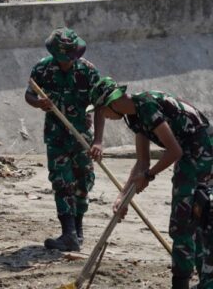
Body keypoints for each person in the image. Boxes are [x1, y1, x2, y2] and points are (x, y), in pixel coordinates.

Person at [90, 77, 212, 289]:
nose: (104, 117)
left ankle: (189, 282)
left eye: (103, 111)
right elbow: (142, 161)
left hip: (201, 152)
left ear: (114, 102)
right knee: (190, 218)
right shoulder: (133, 116)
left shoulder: (146, 106)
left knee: (185, 220)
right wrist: (124, 196)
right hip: (188, 155)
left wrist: (148, 176)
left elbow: (174, 151)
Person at [24, 27, 103, 251]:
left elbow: (100, 106)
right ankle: (68, 233)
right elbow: (29, 93)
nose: (69, 60)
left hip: (81, 137)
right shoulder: (42, 68)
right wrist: (38, 103)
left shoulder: (88, 71)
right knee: (61, 182)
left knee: (83, 181)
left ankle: (77, 230)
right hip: (56, 137)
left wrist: (98, 140)